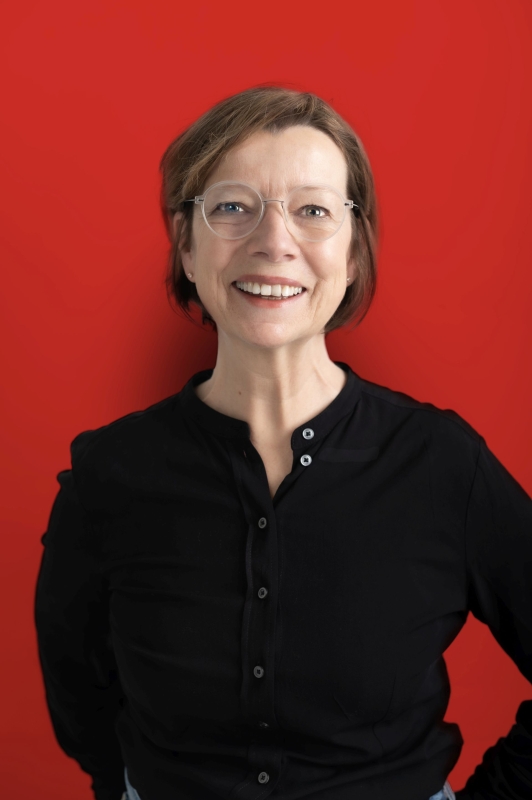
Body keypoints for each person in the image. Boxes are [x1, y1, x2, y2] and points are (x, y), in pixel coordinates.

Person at [34, 86, 532, 800]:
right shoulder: (108, 477)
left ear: (354, 252)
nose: (274, 241)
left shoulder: (442, 465)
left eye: (313, 211)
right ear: (186, 244)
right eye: (234, 207)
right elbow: (79, 699)